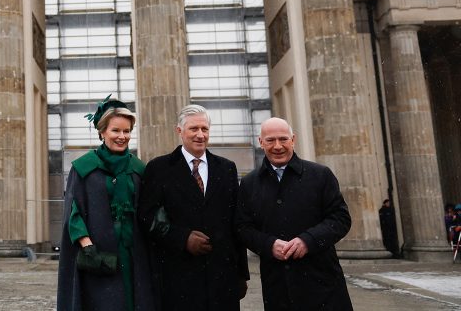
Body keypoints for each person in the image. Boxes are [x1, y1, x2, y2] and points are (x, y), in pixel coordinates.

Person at [138, 104, 249, 310]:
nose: (200, 135)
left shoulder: (226, 168)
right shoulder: (159, 168)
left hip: (221, 276)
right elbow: (147, 218)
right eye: (193, 129)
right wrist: (182, 238)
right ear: (179, 131)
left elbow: (236, 222)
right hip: (178, 276)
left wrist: (241, 274)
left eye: (204, 129)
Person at [237, 117, 353, 310]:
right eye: (270, 140)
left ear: (293, 139)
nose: (277, 146)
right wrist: (268, 244)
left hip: (323, 282)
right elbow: (242, 227)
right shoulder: (249, 183)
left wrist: (308, 241)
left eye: (283, 139)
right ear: (260, 142)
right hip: (278, 286)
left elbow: (340, 219)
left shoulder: (320, 175)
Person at [57, 96, 154, 311]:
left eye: (127, 131)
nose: (122, 136)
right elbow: (74, 213)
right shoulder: (83, 168)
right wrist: (88, 247)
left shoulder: (139, 169)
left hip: (134, 257)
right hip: (100, 257)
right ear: (102, 132)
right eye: (115, 131)